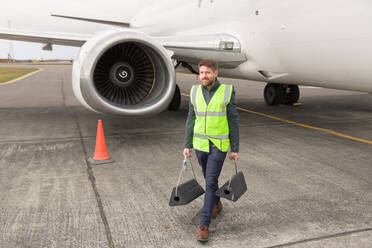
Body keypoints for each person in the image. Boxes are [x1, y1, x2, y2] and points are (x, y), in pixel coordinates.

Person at [183, 58, 239, 242]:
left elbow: (233, 121)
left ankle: (204, 225)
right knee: (209, 179)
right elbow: (191, 119)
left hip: (218, 145)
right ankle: (216, 202)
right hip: (200, 145)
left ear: (216, 73)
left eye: (207, 73)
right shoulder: (194, 91)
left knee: (211, 181)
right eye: (201, 73)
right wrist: (187, 144)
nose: (204, 76)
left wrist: (235, 148)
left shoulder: (227, 91)